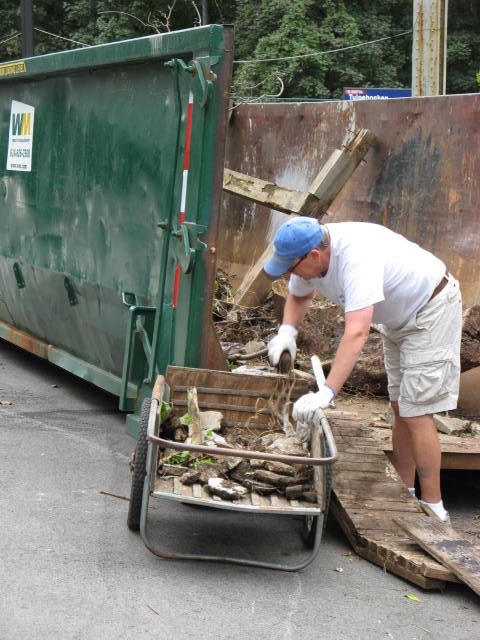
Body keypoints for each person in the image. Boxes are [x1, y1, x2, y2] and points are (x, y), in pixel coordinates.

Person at [264, 216, 462, 523]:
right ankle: (405, 493)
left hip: (431, 310)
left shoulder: (357, 258)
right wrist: (287, 331)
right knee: (399, 406)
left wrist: (327, 391)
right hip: (398, 318)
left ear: (314, 256)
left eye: (291, 267)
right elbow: (299, 294)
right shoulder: (311, 252)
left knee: (416, 410)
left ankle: (435, 508)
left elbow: (357, 332)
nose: (290, 273)